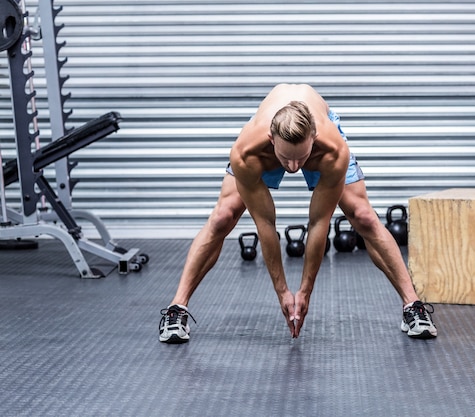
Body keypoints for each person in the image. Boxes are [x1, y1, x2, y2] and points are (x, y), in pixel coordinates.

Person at [159, 83, 437, 343]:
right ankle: (177, 308)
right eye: (285, 159)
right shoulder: (246, 152)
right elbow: (265, 223)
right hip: (265, 142)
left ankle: (413, 305)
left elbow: (319, 223)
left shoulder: (333, 150)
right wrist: (282, 291)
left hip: (317, 139)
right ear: (271, 140)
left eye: (300, 159)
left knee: (363, 215)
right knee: (222, 217)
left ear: (313, 139)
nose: (293, 167)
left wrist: (305, 291)